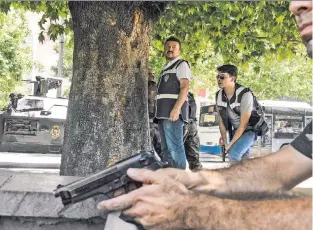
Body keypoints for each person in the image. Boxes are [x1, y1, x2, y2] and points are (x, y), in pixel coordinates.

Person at [98, 2, 312, 230]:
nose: (294, 5)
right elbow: (280, 169)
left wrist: (191, 210)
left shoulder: (233, 89)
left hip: (244, 129)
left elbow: (244, 121)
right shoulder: (216, 94)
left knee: (220, 152)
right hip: (196, 124)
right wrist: (198, 180)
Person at [154, 36, 191, 169]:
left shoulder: (181, 65)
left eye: (174, 47)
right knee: (166, 150)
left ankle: (181, 180)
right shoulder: (165, 68)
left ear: (179, 51)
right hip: (163, 114)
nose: (170, 49)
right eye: (168, 47)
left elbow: (185, 87)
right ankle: (169, 180)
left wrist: (176, 109)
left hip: (173, 114)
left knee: (175, 148)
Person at [215, 64, 265, 162]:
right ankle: (248, 177)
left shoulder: (245, 94)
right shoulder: (218, 95)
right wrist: (225, 142)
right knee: (243, 161)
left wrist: (230, 144)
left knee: (233, 155)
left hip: (250, 131)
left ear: (232, 79)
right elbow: (221, 121)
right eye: (217, 76)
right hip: (235, 131)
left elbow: (244, 124)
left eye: (222, 77)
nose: (219, 79)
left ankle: (234, 177)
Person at [183, 92, 202, 171]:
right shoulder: (189, 94)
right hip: (192, 124)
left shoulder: (174, 91)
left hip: (182, 124)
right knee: (194, 158)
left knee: (174, 154)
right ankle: (199, 178)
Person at [148, 69, 162, 155]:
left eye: (153, 74)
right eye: (149, 74)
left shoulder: (155, 87)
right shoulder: (157, 87)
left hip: (152, 124)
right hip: (156, 124)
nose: (151, 75)